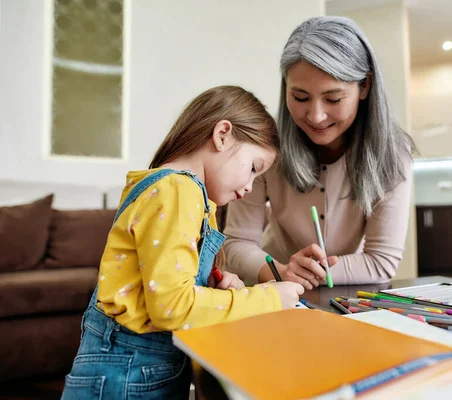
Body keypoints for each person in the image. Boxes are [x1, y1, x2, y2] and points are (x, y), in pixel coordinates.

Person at [61, 86, 304, 400]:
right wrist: (268, 299)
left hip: (137, 367)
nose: (248, 187)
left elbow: (164, 286)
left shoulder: (176, 189)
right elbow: (171, 307)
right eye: (254, 168)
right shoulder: (177, 190)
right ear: (223, 135)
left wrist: (211, 284)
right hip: (128, 372)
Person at [224, 16, 414, 290]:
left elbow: (381, 261)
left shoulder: (393, 154)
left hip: (344, 295)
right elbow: (237, 243)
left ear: (365, 86)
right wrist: (282, 272)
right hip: (270, 290)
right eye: (300, 97)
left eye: (333, 99)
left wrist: (304, 274)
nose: (316, 115)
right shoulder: (265, 145)